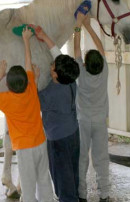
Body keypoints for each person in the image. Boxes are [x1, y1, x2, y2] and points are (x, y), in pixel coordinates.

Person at [0, 27, 53, 202]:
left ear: (8, 86)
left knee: (28, 186)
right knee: (44, 180)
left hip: (24, 149)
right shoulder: (31, 88)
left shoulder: (6, 100)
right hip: (40, 142)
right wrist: (26, 40)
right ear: (27, 79)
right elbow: (28, 64)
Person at [34, 16, 82, 202]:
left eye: (52, 66)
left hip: (58, 140)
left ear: (54, 74)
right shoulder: (70, 79)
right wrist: (44, 36)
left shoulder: (50, 94)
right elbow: (59, 57)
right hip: (73, 135)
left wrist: (36, 79)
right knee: (71, 174)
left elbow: (34, 100)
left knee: (62, 181)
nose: (51, 65)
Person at [74, 14, 110, 202]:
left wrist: (78, 25)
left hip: (83, 121)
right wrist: (89, 26)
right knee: (101, 158)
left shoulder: (80, 72)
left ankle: (82, 194)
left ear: (86, 63)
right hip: (100, 121)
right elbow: (101, 48)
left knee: (82, 159)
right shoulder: (104, 70)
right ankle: (104, 193)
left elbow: (76, 51)